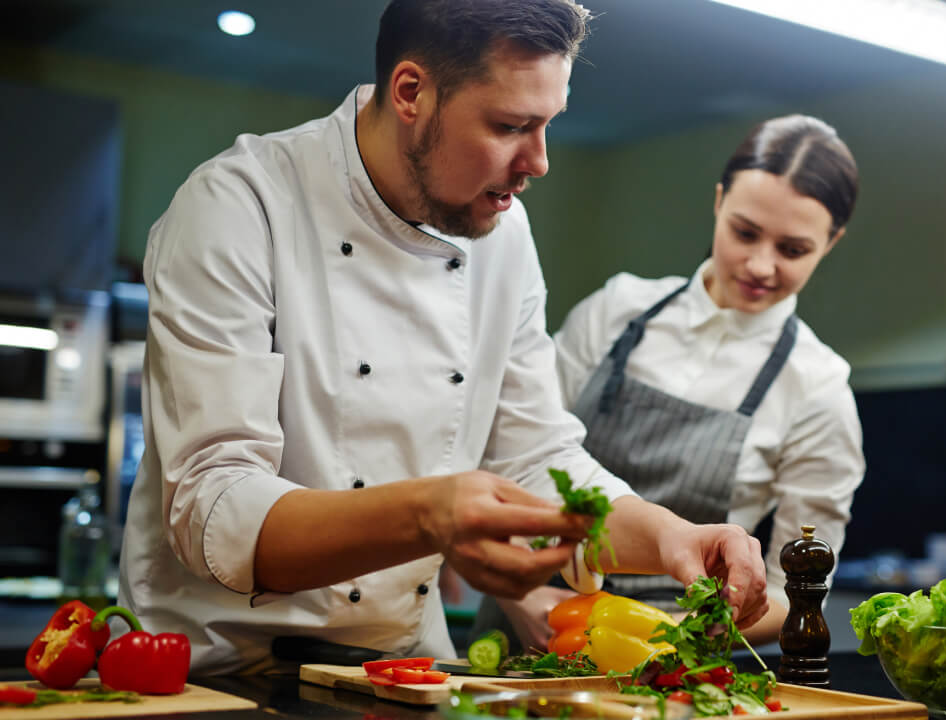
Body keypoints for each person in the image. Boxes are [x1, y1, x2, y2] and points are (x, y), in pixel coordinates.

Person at [118, 0, 769, 675]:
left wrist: (673, 537)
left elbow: (537, 458)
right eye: (512, 125)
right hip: (216, 675)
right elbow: (215, 509)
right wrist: (431, 513)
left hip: (399, 672)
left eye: (548, 124)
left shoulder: (503, 233)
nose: (540, 162)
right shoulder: (238, 207)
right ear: (411, 93)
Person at [484, 114, 865, 651]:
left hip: (670, 660)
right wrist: (518, 598)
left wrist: (664, 638)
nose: (760, 265)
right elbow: (509, 456)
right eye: (745, 232)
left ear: (832, 242)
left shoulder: (820, 391)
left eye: (793, 250)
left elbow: (797, 594)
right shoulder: (616, 312)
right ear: (718, 202)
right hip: (524, 618)